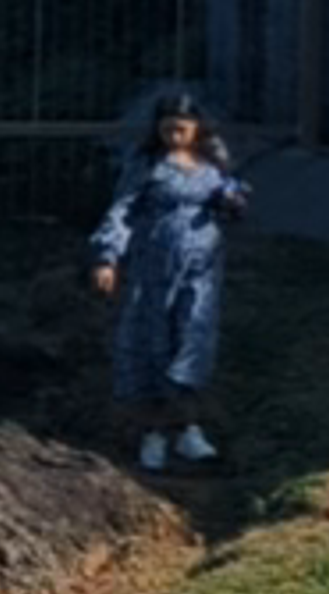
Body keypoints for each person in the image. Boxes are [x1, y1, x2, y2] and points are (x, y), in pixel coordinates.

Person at [92, 98, 248, 474]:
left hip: (201, 270)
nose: (174, 135)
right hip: (154, 271)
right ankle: (154, 433)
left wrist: (233, 202)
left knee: (192, 341)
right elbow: (122, 211)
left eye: (182, 128)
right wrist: (108, 257)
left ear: (197, 129)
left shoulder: (213, 168)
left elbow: (234, 202)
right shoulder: (148, 167)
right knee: (152, 344)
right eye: (167, 129)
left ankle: (189, 428)